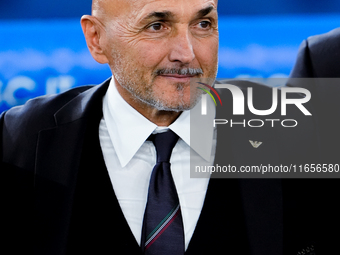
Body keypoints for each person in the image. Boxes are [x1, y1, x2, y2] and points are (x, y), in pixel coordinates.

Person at [1, 1, 340, 254]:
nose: (187, 52)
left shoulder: (293, 130)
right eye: (157, 26)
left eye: (203, 24)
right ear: (96, 39)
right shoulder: (20, 142)